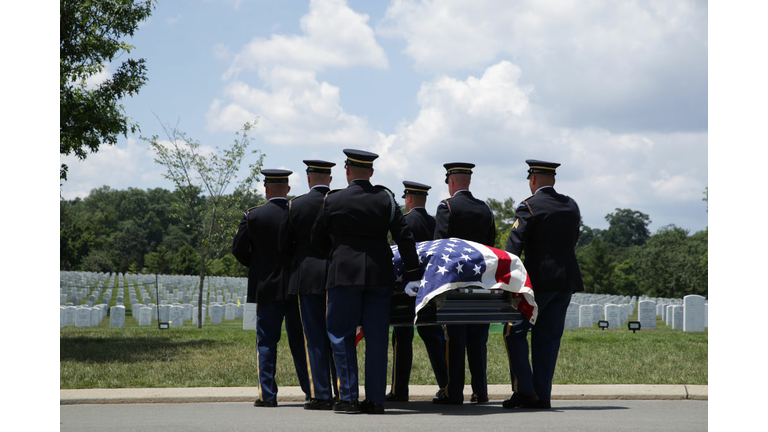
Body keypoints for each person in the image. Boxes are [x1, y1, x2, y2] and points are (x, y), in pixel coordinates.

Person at [311, 149, 423, 415]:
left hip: (343, 275)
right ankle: (375, 400)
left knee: (341, 335)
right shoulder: (386, 199)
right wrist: (413, 273)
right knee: (376, 338)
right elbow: (404, 236)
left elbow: (317, 239)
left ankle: (348, 398)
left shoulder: (332, 200)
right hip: (378, 275)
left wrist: (336, 252)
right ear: (371, 172)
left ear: (347, 171)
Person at [501, 159, 584, 410]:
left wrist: (504, 279)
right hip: (566, 281)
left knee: (513, 331)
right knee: (548, 338)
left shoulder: (529, 206)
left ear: (532, 180)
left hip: (537, 283)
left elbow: (514, 248)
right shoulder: (571, 206)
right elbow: (574, 240)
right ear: (554, 180)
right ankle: (542, 395)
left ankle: (525, 390)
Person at [232, 169, 310, 408]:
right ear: (287, 189)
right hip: (296, 288)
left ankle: (267, 395)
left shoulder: (252, 216)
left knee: (266, 342)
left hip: (267, 288)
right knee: (301, 342)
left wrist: (258, 265)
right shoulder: (297, 213)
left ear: (266, 189)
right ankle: (313, 392)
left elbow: (238, 249)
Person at [432, 163, 496, 405]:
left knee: (455, 340)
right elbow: (490, 246)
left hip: (455, 284)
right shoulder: (485, 209)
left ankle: (453, 391)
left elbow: (440, 248)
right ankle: (481, 391)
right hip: (481, 282)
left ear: (450, 182)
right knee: (479, 340)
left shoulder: (447, 207)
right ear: (469, 181)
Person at [278, 160, 339, 410]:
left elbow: (284, 245)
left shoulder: (295, 206)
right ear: (331, 179)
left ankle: (320, 394)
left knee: (312, 338)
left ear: (308, 178)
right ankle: (343, 391)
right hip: (337, 276)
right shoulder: (340, 202)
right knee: (338, 337)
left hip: (307, 277)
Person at [386, 181, 448, 402]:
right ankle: (445, 385)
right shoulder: (434, 222)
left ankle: (399, 389)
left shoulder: (404, 221)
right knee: (434, 337)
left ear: (408, 199)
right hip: (431, 287)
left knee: (402, 338)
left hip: (407, 289)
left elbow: (398, 256)